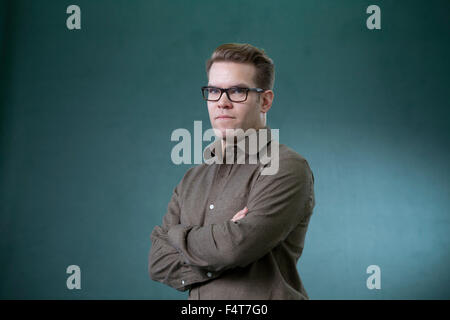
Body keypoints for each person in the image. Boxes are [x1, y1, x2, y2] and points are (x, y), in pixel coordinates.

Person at [148, 43, 315, 300]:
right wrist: (220, 247)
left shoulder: (285, 168)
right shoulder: (192, 179)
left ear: (265, 100)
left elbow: (234, 249)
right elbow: (158, 263)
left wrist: (176, 236)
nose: (222, 103)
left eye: (237, 91)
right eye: (214, 90)